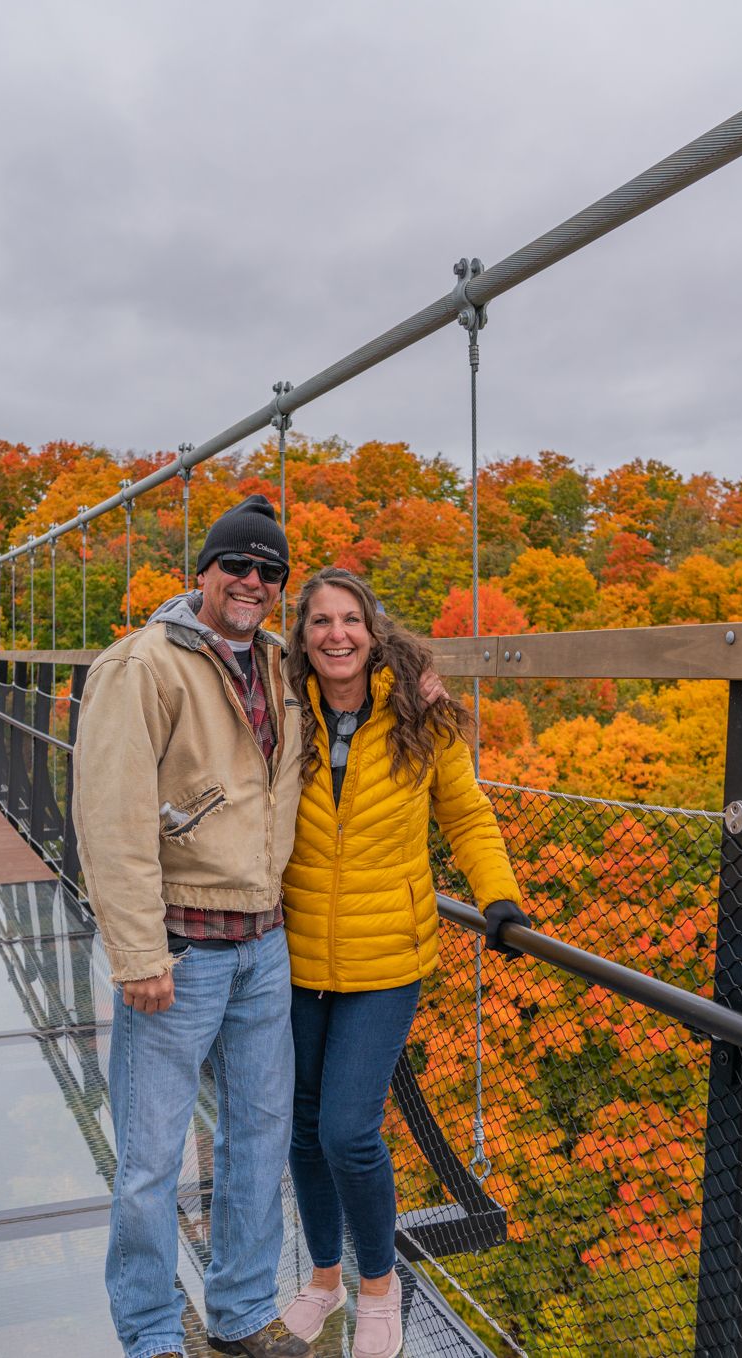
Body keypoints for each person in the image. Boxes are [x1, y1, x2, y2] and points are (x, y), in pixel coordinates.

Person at [74, 496, 311, 1358]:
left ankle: (242, 1312)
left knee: (258, 1141)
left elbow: (364, 664)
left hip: (265, 941)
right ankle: (147, 1332)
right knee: (150, 1159)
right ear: (201, 574)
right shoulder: (143, 667)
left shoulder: (283, 664)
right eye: (236, 566)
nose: (252, 582)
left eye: (269, 571)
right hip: (179, 948)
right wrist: (137, 952)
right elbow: (109, 815)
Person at [275, 568, 522, 1358]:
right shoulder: (278, 712)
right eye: (320, 621)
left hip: (387, 957)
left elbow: (466, 814)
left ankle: (378, 1287)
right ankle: (323, 1279)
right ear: (301, 635)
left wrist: (500, 900)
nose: (336, 635)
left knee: (349, 1130)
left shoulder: (421, 714)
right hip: (293, 950)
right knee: (301, 1134)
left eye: (351, 620)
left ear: (374, 633)